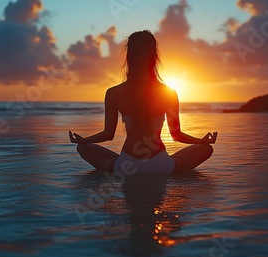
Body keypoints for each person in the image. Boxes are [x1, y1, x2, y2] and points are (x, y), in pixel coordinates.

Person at [69, 30, 217, 174]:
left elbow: (108, 134)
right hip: (161, 165)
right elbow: (176, 135)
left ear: (129, 56)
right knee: (206, 148)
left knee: (83, 148)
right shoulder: (169, 93)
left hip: (126, 165)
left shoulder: (114, 93)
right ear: (154, 56)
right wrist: (201, 141)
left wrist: (83, 140)